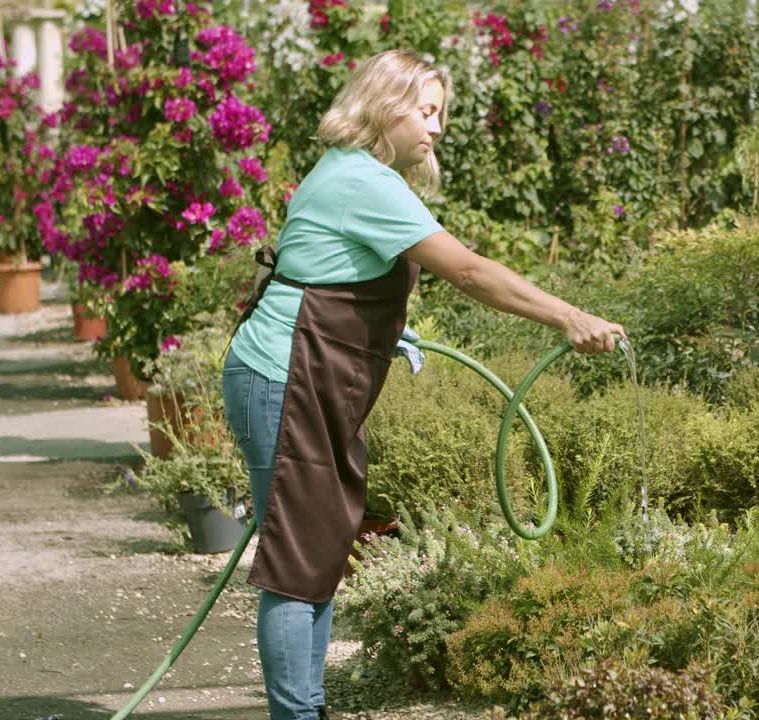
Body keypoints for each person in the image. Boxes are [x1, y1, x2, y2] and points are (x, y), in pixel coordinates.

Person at [221, 49, 625, 720]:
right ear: (386, 106)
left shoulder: (357, 173)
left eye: (442, 114)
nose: (437, 127)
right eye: (426, 111)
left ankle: (307, 709)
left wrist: (384, 331)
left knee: (316, 552)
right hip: (286, 374)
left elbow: (323, 269)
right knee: (298, 565)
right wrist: (568, 316)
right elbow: (468, 270)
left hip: (304, 369)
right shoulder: (364, 181)